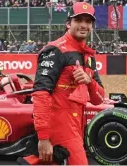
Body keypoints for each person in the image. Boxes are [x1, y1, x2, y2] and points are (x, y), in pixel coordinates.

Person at [31, 2, 105, 165]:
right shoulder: (55, 50)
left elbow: (99, 99)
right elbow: (40, 94)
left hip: (78, 125)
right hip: (60, 126)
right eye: (79, 20)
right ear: (68, 23)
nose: (84, 25)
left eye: (88, 21)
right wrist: (43, 137)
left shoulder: (88, 56)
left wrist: (89, 81)